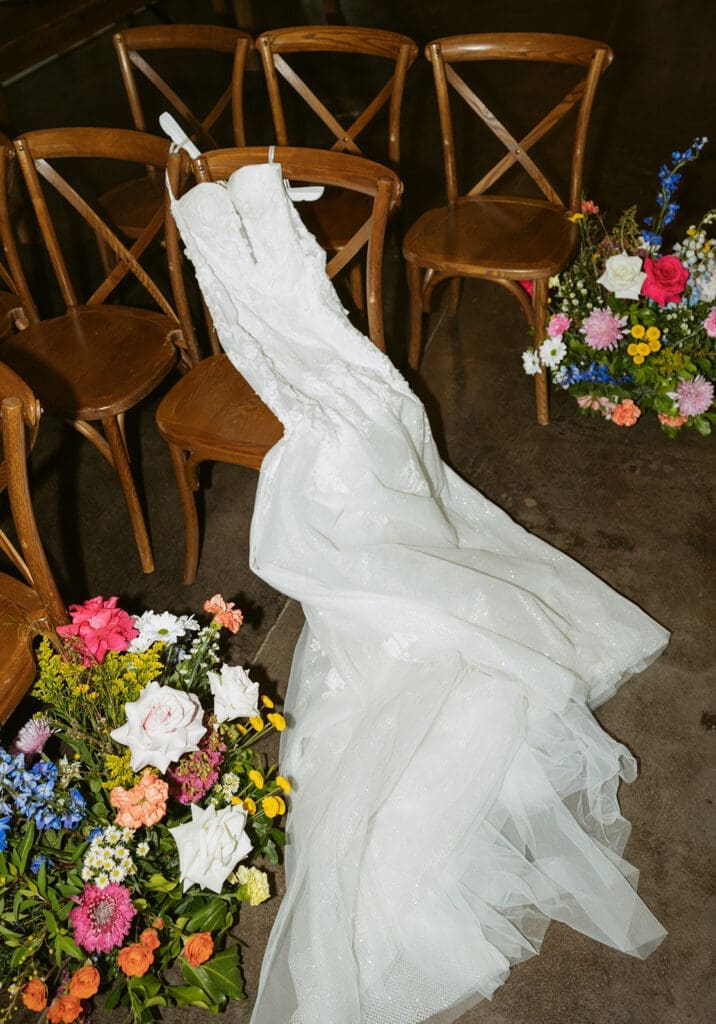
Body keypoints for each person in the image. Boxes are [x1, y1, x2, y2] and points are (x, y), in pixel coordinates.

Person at [169, 159, 668, 1024]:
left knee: (394, 469)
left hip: (334, 400)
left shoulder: (204, 228)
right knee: (386, 493)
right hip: (335, 410)